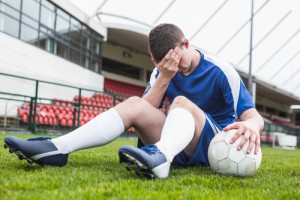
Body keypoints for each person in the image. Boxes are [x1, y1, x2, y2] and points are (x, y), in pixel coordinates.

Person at [4, 23, 264, 179]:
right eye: (161, 62)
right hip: (176, 140)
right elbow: (143, 111)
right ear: (154, 59)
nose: (175, 66)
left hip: (214, 144)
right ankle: (56, 148)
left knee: (181, 102)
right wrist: (164, 76)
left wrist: (252, 127)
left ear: (186, 43)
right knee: (133, 103)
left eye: (177, 59)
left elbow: (252, 115)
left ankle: (160, 160)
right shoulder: (161, 69)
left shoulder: (221, 69)